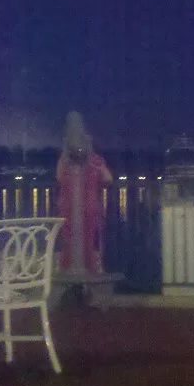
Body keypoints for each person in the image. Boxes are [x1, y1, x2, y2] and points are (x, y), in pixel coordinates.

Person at [55, 111, 113, 274]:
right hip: (77, 206)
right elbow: (108, 178)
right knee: (78, 240)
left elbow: (59, 177)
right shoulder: (87, 160)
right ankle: (82, 270)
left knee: (83, 240)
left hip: (82, 206)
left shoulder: (88, 160)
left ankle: (83, 270)